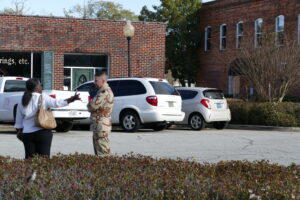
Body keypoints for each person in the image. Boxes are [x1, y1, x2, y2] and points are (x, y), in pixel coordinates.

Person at [14, 78, 80, 159]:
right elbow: (57, 103)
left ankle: (31, 172)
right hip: (43, 132)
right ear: (37, 87)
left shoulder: (22, 100)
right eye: (40, 85)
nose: (41, 87)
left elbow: (18, 122)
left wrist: (20, 134)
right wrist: (72, 99)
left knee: (29, 160)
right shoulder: (43, 97)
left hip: (28, 134)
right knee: (44, 160)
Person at [87, 71, 114, 156]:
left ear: (103, 80)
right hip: (100, 125)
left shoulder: (104, 92)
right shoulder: (102, 91)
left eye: (96, 80)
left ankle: (106, 169)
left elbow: (91, 106)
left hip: (101, 126)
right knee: (100, 152)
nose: (94, 83)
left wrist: (89, 104)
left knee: (103, 153)